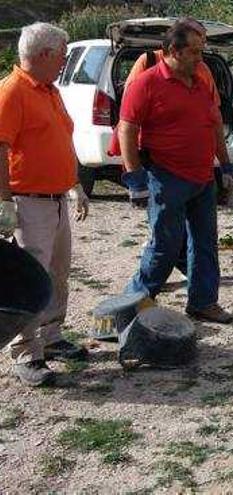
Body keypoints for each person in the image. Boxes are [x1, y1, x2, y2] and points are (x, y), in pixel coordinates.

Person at [117, 21, 233, 323]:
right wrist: (135, 177)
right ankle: (130, 307)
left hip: (203, 178)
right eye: (194, 52)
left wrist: (225, 164)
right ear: (173, 51)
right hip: (166, 178)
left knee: (205, 244)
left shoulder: (200, 81)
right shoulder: (147, 82)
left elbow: (214, 124)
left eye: (201, 51)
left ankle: (202, 302)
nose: (200, 57)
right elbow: (127, 129)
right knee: (164, 248)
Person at [0, 22, 90, 386]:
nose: (64, 63)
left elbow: (59, 141)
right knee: (30, 280)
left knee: (57, 273)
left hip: (55, 201)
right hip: (28, 203)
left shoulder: (49, 91)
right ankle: (26, 353)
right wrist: (4, 202)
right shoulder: (12, 92)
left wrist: (75, 185)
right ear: (43, 55)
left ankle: (51, 338)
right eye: (62, 56)